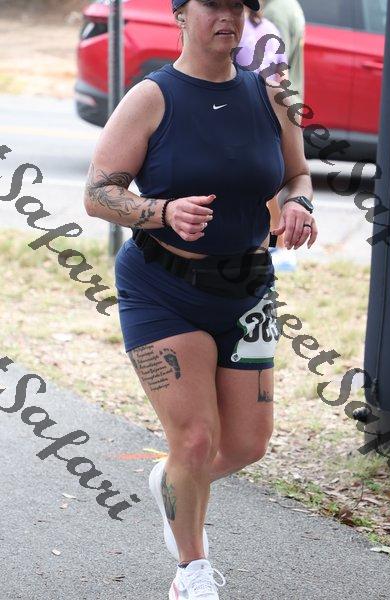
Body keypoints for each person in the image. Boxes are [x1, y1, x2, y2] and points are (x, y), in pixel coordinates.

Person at [84, 0, 317, 598]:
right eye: (213, 3)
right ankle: (191, 570)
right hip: (162, 287)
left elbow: (297, 174)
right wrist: (162, 212)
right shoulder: (151, 98)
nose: (228, 15)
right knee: (194, 439)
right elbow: (98, 193)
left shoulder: (272, 95)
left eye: (238, 5)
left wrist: (298, 203)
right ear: (181, 15)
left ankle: (173, 480)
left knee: (246, 445)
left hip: (248, 287)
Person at [235, 0, 298, 271]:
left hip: (248, 115)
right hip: (270, 113)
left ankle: (276, 247)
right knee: (265, 187)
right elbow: (283, 78)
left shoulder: (237, 31)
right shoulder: (269, 27)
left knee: (261, 189)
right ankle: (275, 248)